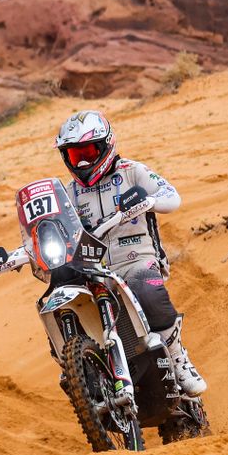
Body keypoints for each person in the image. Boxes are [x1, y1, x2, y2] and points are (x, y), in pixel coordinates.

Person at [52, 109, 206, 396]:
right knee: (58, 294)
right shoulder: (69, 193)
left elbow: (172, 197)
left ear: (105, 146)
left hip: (136, 260)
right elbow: (55, 229)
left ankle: (178, 358)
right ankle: (76, 366)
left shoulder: (132, 171)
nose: (83, 161)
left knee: (144, 289)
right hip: (93, 270)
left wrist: (147, 200)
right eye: (75, 155)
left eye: (87, 151)